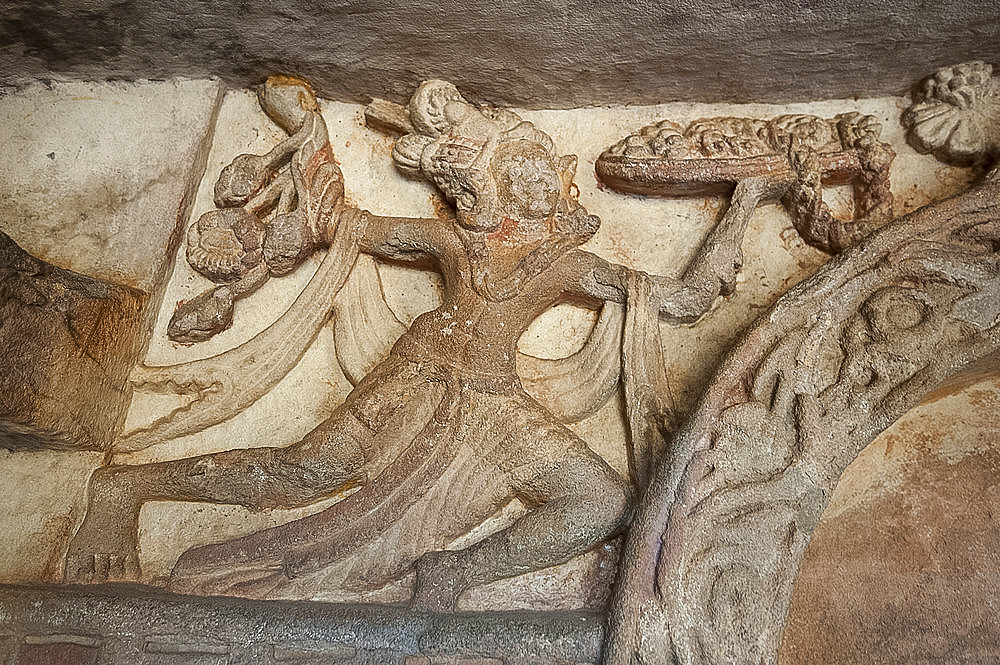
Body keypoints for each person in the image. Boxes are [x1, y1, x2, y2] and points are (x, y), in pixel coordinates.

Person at [65, 78, 774, 610]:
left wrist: (741, 204)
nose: (532, 178)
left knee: (603, 499)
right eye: (517, 164)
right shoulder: (453, 239)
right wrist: (310, 136)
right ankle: (124, 487)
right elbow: (349, 225)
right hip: (422, 374)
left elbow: (679, 300)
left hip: (496, 407)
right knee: (303, 471)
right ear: (487, 179)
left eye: (539, 167)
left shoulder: (567, 264)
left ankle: (455, 571)